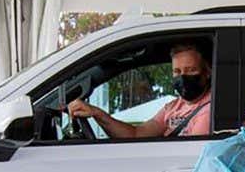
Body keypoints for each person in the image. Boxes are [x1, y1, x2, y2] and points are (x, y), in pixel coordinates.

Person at [68, 42, 212, 138]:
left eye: (190, 70)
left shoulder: (210, 109)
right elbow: (136, 134)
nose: (183, 77)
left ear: (207, 72)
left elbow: (189, 156)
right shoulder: (174, 107)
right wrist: (97, 114)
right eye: (177, 71)